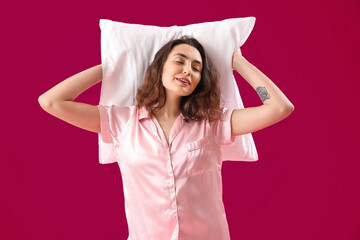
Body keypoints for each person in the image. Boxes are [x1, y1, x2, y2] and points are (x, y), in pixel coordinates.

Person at [38, 36, 294, 239]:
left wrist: (238, 62)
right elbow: (51, 101)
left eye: (196, 67)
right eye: (180, 61)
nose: (188, 70)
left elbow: (280, 108)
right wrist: (111, 67)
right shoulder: (122, 121)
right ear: (159, 67)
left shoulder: (212, 123)